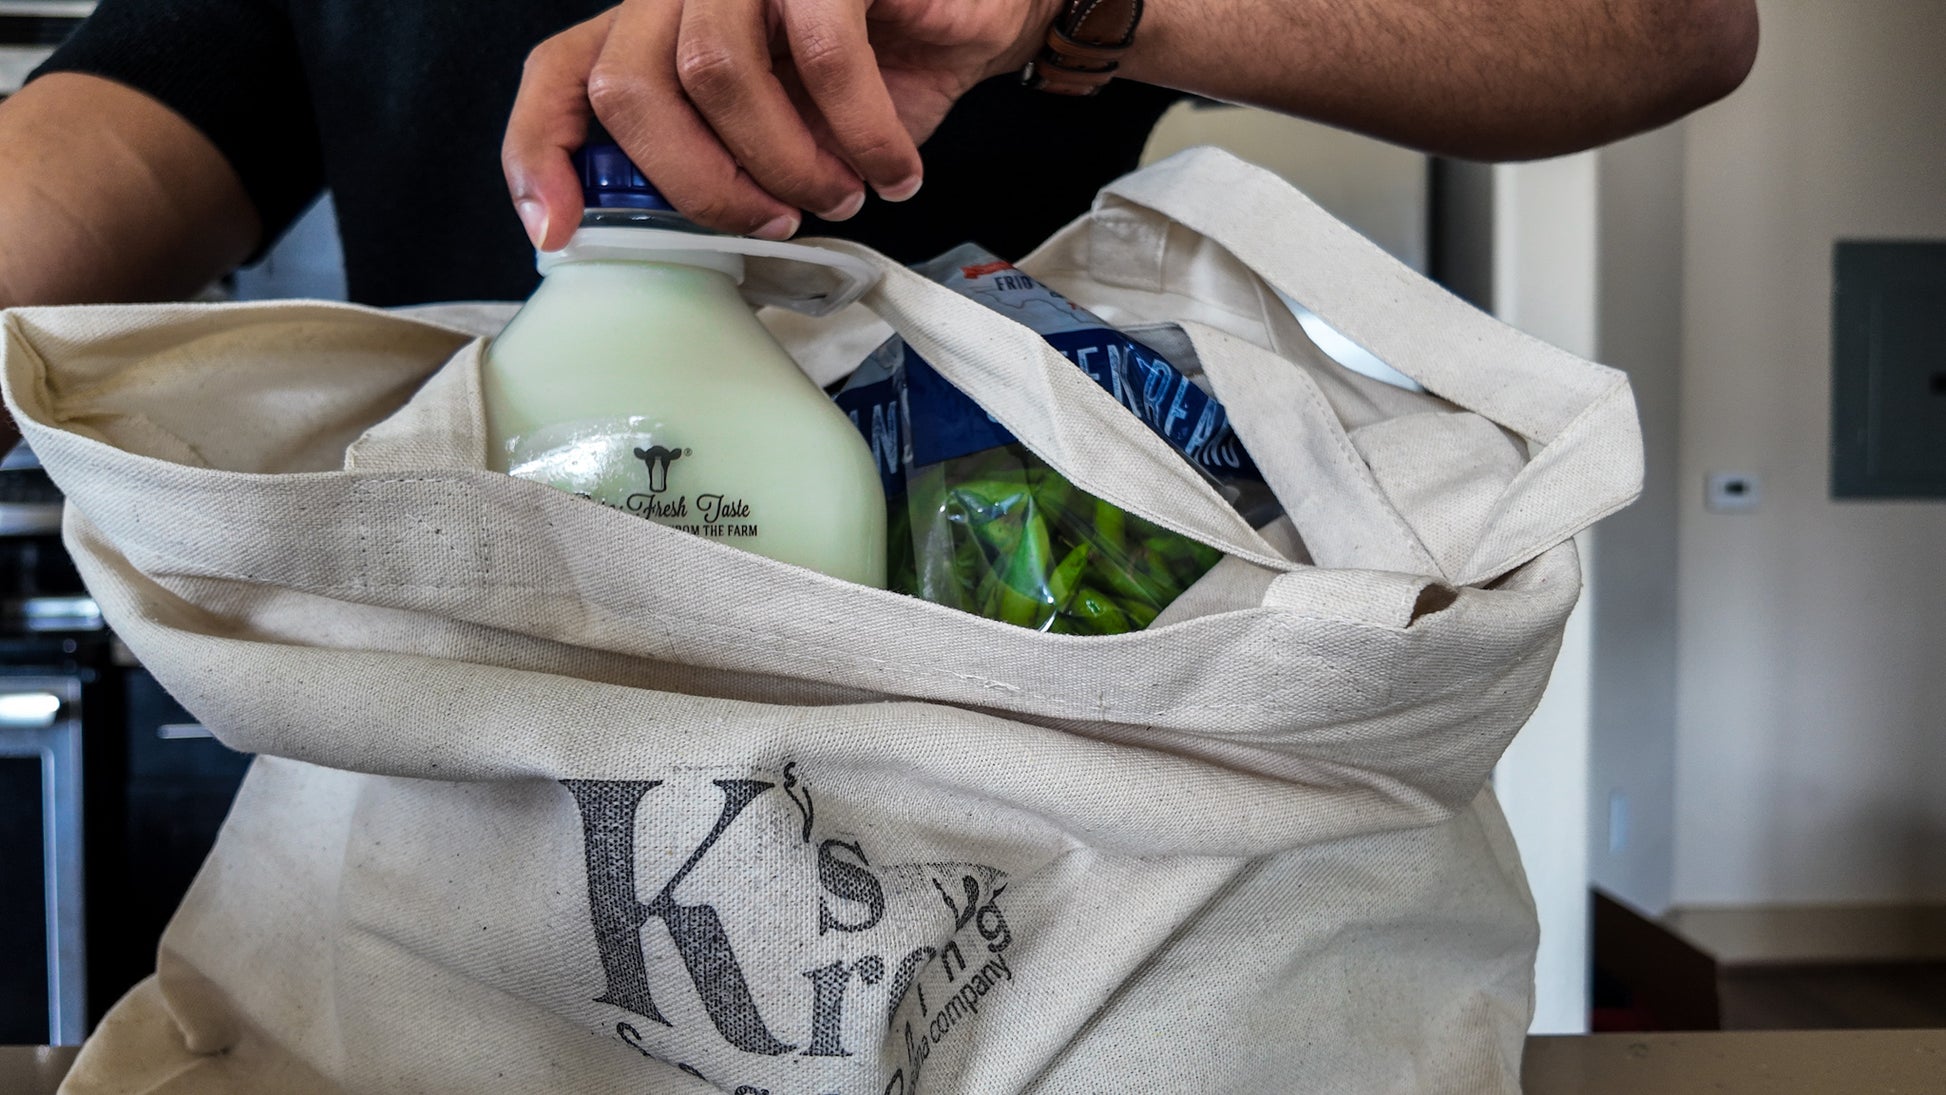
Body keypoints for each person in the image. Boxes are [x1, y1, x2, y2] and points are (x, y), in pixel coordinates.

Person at [0, 0, 1757, 311]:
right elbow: (115, 144)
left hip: (1004, 720)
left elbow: (1666, 28)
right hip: (478, 758)